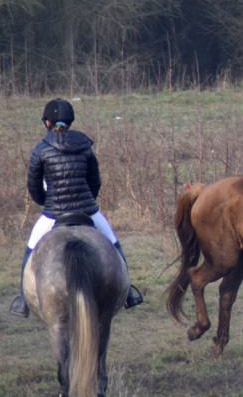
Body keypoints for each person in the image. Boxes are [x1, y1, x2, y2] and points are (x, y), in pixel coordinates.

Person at [9, 99, 143, 317]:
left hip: (53, 214)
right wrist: (87, 202)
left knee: (31, 248)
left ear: (47, 122)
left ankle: (23, 300)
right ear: (70, 122)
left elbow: (33, 186)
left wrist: (46, 200)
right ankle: (129, 293)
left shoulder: (41, 149)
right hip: (88, 210)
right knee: (114, 243)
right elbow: (95, 181)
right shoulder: (85, 146)